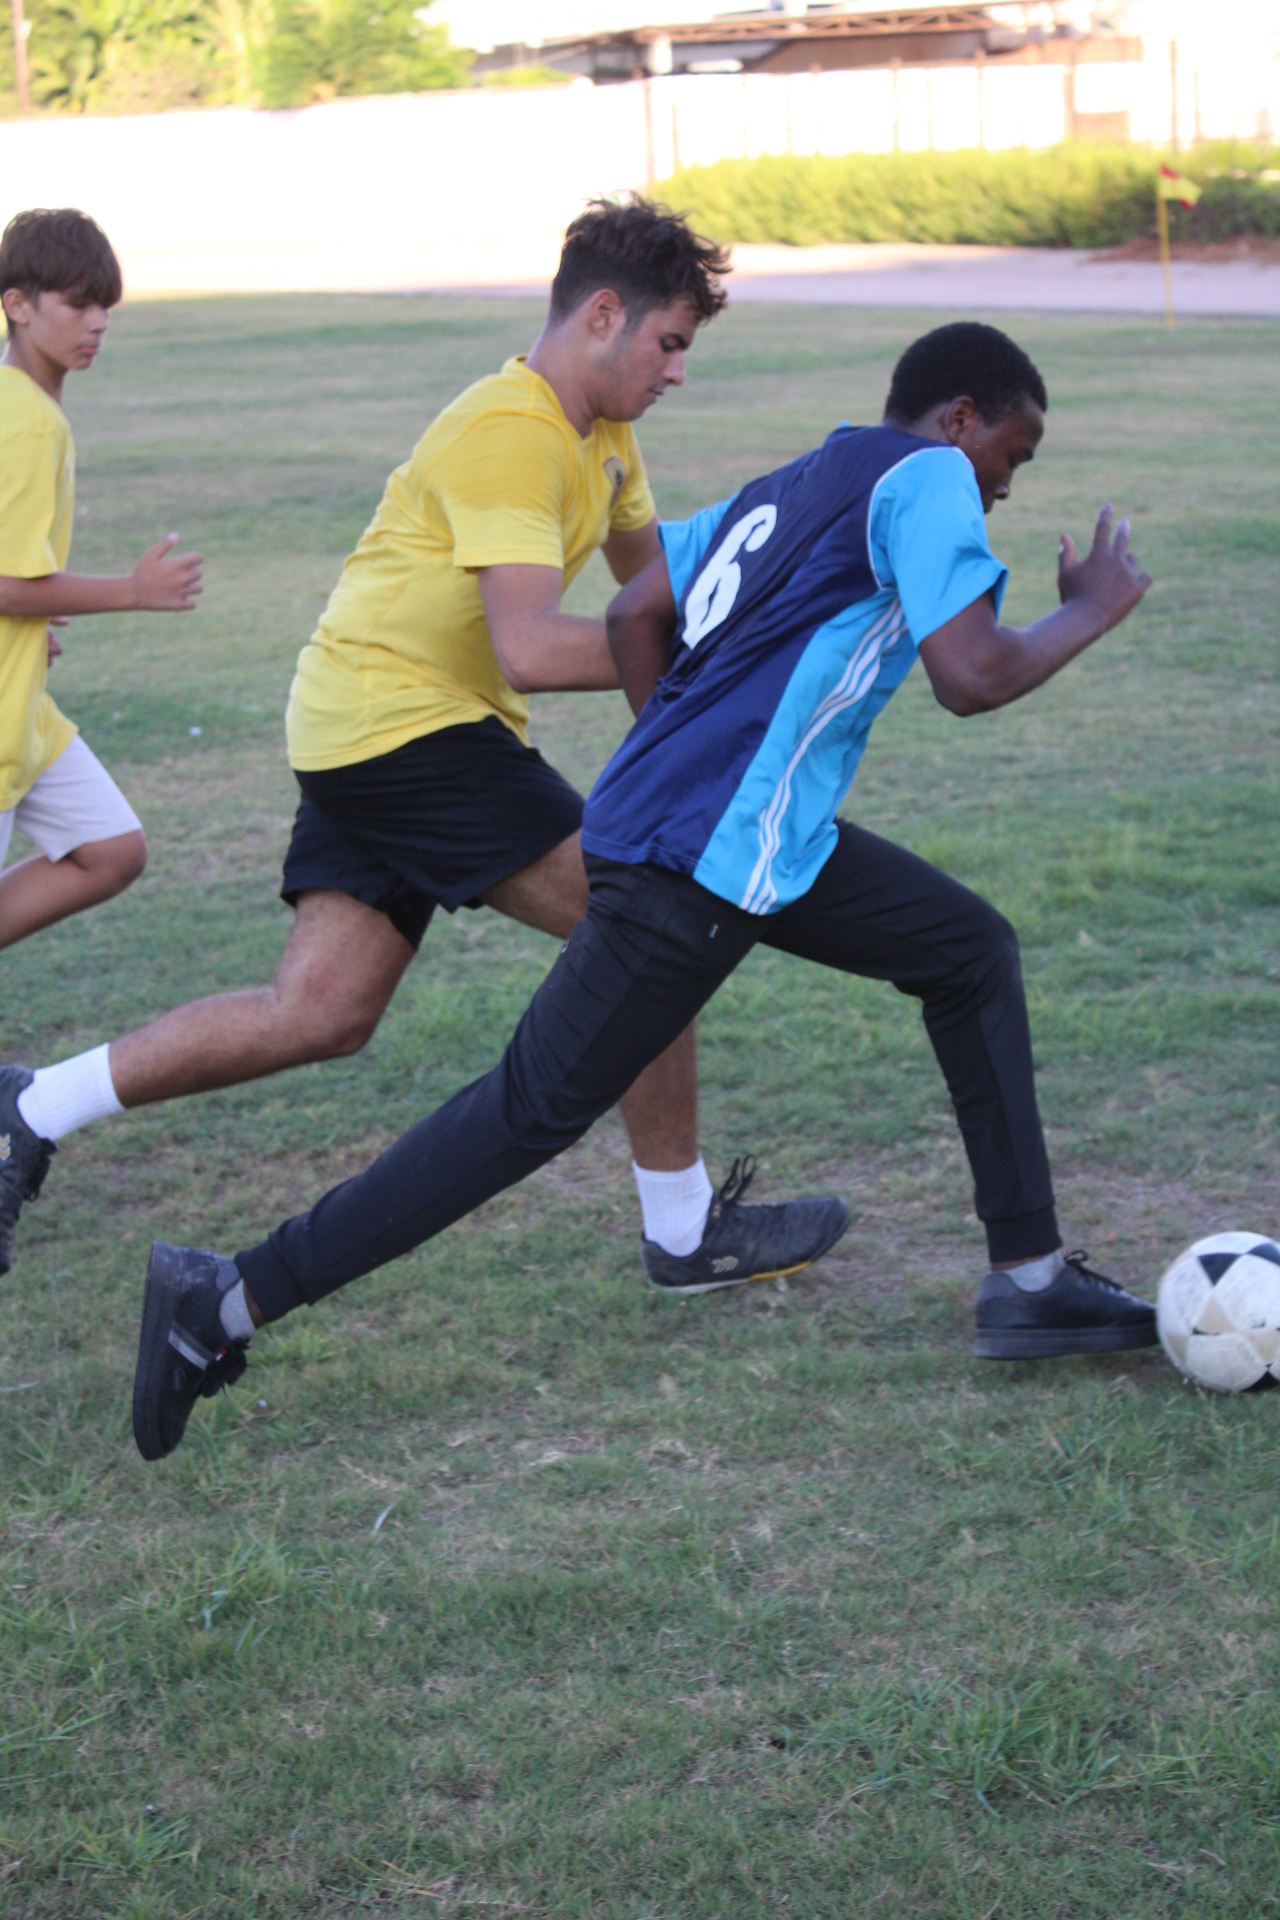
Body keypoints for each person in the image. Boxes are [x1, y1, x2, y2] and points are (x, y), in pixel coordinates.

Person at [130, 319, 1161, 1463]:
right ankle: (223, 1301)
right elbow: (969, 676)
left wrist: (677, 747)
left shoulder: (800, 475)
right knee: (524, 1113)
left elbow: (636, 612)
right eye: (1009, 458)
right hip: (703, 856)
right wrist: (1091, 606)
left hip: (750, 839)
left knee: (965, 950)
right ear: (959, 420)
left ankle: (1028, 1280)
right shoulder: (927, 476)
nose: (1003, 487)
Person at [0, 198, 847, 1289]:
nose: (677, 372)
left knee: (320, 1011)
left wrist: (750, 617)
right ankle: (683, 1231)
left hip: (368, 725)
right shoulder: (508, 431)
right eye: (669, 344)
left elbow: (654, 605)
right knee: (649, 922)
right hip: (402, 728)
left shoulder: (605, 439)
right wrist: (734, 659)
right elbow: (535, 646)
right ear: (602, 314)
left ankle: (34, 1105)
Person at [0, 210, 201, 950]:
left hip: (24, 707)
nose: (98, 323)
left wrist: (29, 624)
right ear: (17, 305)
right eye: (78, 304)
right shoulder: (28, 420)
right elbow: (5, 582)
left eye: (105, 306)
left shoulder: (19, 402)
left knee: (111, 848)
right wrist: (132, 590)